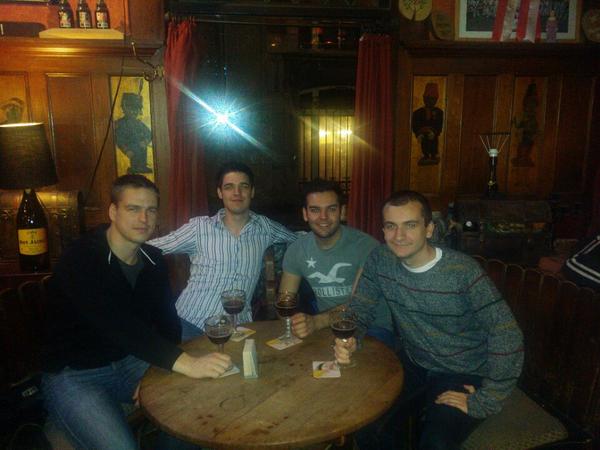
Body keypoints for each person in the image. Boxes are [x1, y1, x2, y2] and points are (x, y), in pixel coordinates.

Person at [42, 175, 232, 450]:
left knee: (193, 408)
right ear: (113, 211)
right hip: (75, 374)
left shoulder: (153, 259)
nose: (144, 218)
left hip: (129, 360)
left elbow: (168, 325)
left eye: (151, 210)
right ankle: (62, 422)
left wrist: (156, 373)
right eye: (133, 209)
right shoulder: (81, 258)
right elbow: (117, 325)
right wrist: (186, 363)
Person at [335, 190, 524, 450]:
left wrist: (489, 397)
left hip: (464, 371)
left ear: (429, 229)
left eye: (410, 225)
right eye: (391, 226)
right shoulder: (380, 259)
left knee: (436, 444)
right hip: (415, 362)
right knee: (367, 426)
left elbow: (506, 333)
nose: (399, 236)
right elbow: (360, 308)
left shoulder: (462, 271)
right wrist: (350, 338)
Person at [149, 162, 296, 340]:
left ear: (252, 192)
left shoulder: (265, 227)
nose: (237, 193)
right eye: (229, 187)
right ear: (220, 193)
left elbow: (300, 240)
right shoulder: (199, 228)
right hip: (189, 324)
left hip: (237, 329)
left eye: (244, 186)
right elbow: (151, 248)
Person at [281, 178, 393, 346]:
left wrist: (316, 322)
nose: (323, 217)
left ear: (342, 212)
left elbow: (357, 307)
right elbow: (285, 300)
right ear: (305, 214)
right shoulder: (297, 250)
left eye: (331, 209)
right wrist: (297, 323)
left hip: (372, 329)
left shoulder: (367, 247)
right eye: (315, 210)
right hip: (328, 328)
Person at [411, 82, 443, 165]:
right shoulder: (417, 112)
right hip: (423, 134)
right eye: (427, 98)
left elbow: (440, 124)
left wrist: (434, 132)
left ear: (436, 100)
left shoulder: (439, 112)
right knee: (424, 143)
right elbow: (415, 124)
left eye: (432, 99)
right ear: (424, 98)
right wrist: (418, 133)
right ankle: (425, 156)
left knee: (433, 142)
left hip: (433, 135)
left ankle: (433, 155)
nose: (429, 101)